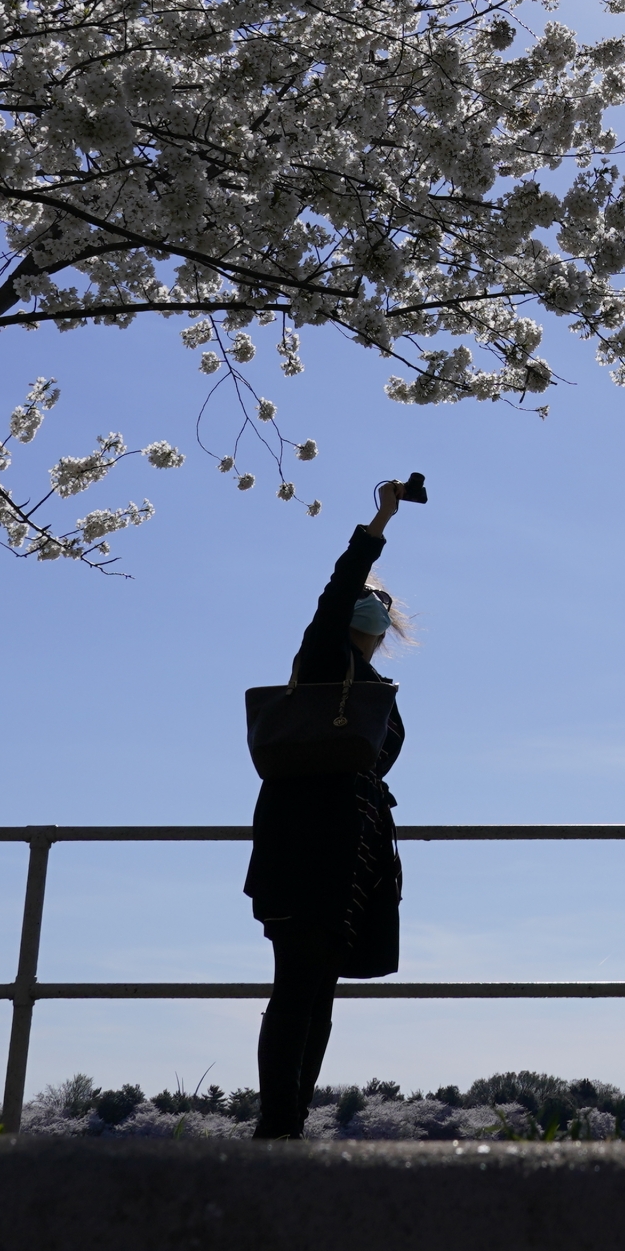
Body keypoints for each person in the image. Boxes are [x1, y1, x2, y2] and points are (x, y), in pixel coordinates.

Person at [241, 476, 413, 1137]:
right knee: (297, 984)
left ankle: (289, 1122)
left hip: (351, 854)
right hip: (304, 845)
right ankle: (277, 1127)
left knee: (319, 991)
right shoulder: (321, 659)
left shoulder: (374, 687)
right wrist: (380, 521)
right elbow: (337, 590)